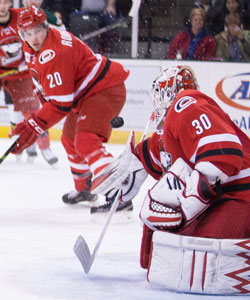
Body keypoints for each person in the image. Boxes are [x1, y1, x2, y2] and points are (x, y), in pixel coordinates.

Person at [91, 65, 250, 294]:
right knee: (162, 232)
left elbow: (223, 152)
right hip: (225, 198)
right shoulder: (171, 132)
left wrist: (190, 201)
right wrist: (133, 165)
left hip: (241, 197)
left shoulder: (186, 103)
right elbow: (152, 153)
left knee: (200, 255)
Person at [9, 6, 132, 213]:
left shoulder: (54, 52)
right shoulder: (35, 47)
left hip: (104, 90)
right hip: (86, 94)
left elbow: (61, 104)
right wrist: (36, 120)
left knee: (85, 139)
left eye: (37, 30)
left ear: (45, 27)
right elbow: (47, 88)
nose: (33, 37)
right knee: (69, 138)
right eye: (27, 33)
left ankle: (119, 193)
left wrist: (35, 124)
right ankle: (84, 189)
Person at [0, 0, 58, 165]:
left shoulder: (19, 15)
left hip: (19, 74)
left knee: (31, 110)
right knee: (15, 111)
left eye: (6, 2)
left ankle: (44, 148)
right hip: (2, 71)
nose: (2, 7)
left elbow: (45, 20)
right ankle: (24, 143)